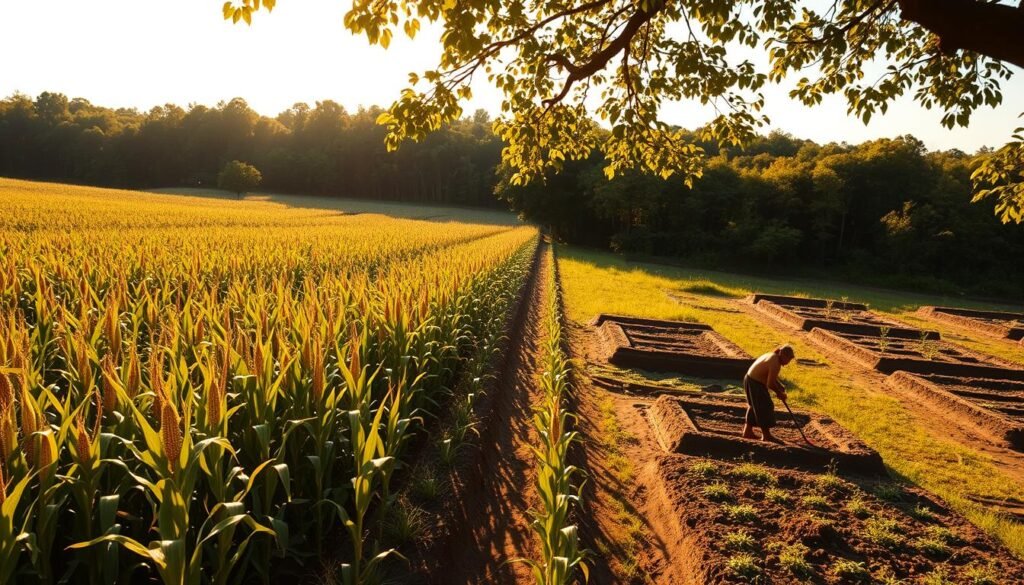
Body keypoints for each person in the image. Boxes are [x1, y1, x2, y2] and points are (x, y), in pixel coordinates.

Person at [741, 344, 795, 442]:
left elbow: (770, 376)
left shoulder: (772, 356)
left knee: (754, 406)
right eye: (788, 359)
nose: (788, 362)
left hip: (749, 379)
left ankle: (747, 432)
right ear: (782, 354)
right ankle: (766, 436)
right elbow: (770, 384)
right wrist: (780, 393)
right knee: (765, 406)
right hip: (755, 383)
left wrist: (780, 385)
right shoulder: (775, 363)